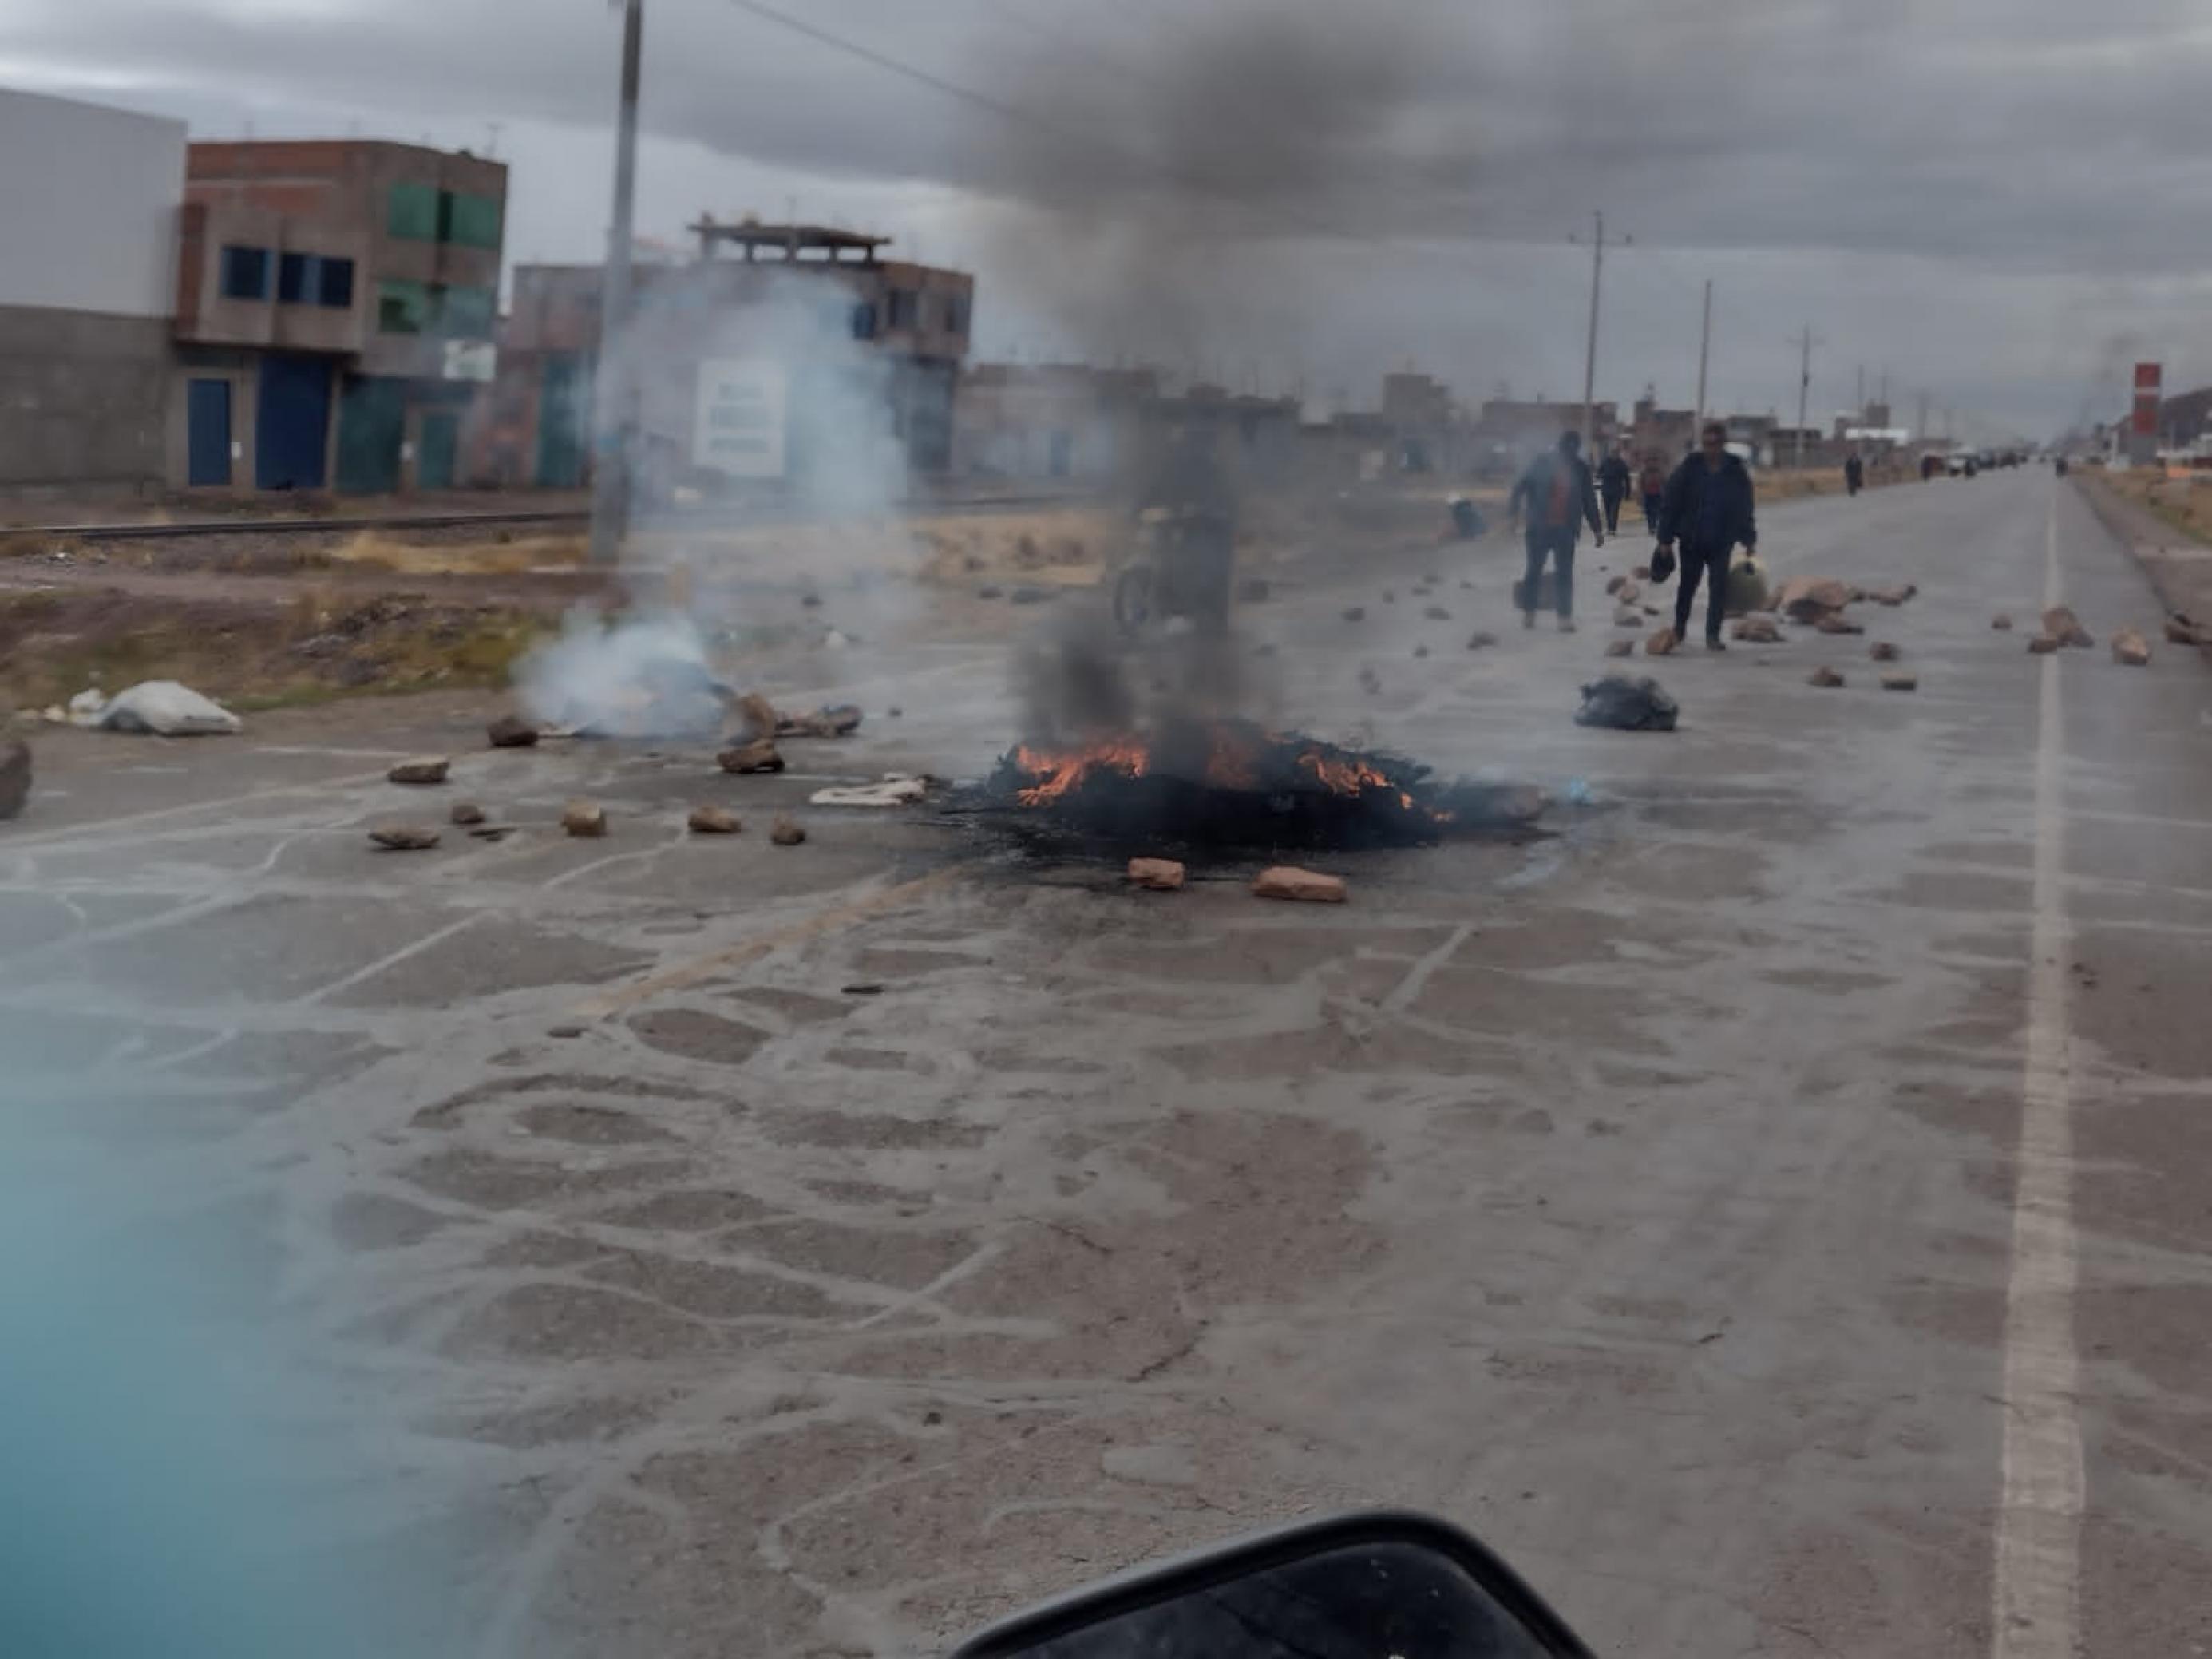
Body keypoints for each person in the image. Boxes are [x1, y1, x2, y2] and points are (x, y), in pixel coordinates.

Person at [1656, 420, 1758, 651]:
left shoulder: (1735, 470)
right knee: (1687, 587)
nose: (1711, 447)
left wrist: (1749, 539)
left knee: (1719, 589)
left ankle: (1713, 635)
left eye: (1716, 443)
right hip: (1692, 541)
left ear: (1722, 443)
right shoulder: (1690, 468)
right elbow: (1671, 503)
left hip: (1722, 542)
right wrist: (1665, 539)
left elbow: (1745, 507)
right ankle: (1679, 628)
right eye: (1707, 443)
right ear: (1703, 443)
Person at [1507, 430, 1604, 631]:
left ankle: (1564, 617)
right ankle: (1530, 612)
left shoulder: (1580, 469)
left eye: (1572, 450)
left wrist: (1597, 529)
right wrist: (1512, 515)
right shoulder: (1541, 463)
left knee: (1564, 574)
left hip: (1565, 530)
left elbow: (1588, 499)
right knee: (1534, 570)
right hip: (1538, 528)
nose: (1569, 454)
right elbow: (1520, 486)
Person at [1597, 445, 1632, 533]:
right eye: (1612, 453)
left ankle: (1613, 528)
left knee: (1614, 510)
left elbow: (1627, 479)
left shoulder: (1621, 464)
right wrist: (1602, 475)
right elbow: (1598, 473)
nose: (1614, 455)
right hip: (1606, 490)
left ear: (1618, 454)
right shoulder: (1605, 462)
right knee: (1607, 510)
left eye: (1615, 453)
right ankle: (1609, 527)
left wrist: (1628, 493)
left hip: (1617, 491)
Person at [1638, 453, 1668, 529]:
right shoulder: (1644, 472)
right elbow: (1641, 483)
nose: (1651, 463)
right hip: (1647, 494)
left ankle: (1653, 525)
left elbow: (1664, 482)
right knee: (1648, 511)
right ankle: (1651, 526)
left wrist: (1665, 492)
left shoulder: (1660, 472)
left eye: (1653, 461)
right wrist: (1641, 494)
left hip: (1658, 494)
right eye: (1650, 461)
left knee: (1656, 511)